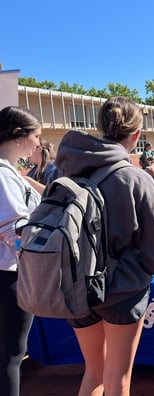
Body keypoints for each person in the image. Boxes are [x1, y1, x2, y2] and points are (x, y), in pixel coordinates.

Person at [54, 97, 154, 396]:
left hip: (76, 285)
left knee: (93, 373)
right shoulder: (135, 178)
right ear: (136, 135)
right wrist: (137, 273)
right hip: (121, 290)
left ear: (99, 128)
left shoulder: (65, 172)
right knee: (118, 379)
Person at [0, 106, 42, 396]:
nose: (39, 143)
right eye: (36, 136)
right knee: (12, 354)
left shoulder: (9, 173)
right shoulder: (3, 175)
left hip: (11, 272)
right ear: (18, 137)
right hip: (11, 275)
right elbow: (12, 231)